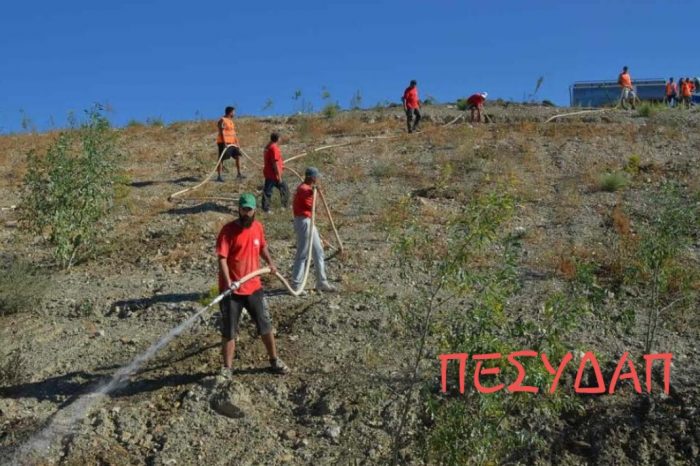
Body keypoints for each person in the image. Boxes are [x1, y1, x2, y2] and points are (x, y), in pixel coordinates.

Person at [216, 193, 289, 375]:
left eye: (250, 209)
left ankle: (274, 360)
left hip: (254, 288)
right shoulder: (227, 231)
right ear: (238, 209)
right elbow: (222, 259)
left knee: (265, 325)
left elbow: (262, 246)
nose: (246, 213)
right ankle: (227, 369)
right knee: (229, 331)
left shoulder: (258, 228)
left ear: (255, 210)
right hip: (231, 291)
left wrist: (270, 263)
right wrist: (229, 282)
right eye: (243, 209)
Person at [291, 167, 336, 293]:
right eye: (316, 177)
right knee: (303, 253)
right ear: (312, 177)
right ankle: (296, 284)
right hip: (303, 222)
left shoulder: (307, 189)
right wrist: (315, 192)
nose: (318, 179)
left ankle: (321, 282)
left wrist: (315, 191)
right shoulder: (304, 189)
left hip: (309, 221)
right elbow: (312, 207)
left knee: (318, 251)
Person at [261, 132, 289, 213]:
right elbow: (275, 163)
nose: (281, 139)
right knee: (269, 192)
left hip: (270, 173)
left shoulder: (269, 147)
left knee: (283, 189)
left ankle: (283, 206)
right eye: (280, 138)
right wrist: (279, 176)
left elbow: (265, 148)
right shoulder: (274, 148)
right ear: (278, 139)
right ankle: (266, 209)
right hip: (273, 175)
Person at [216, 106, 245, 182]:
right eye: (234, 112)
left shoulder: (231, 121)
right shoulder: (222, 120)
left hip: (232, 143)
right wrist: (225, 143)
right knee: (221, 159)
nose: (234, 113)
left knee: (238, 156)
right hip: (223, 143)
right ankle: (219, 176)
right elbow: (222, 132)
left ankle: (239, 174)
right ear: (230, 112)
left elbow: (233, 133)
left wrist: (237, 143)